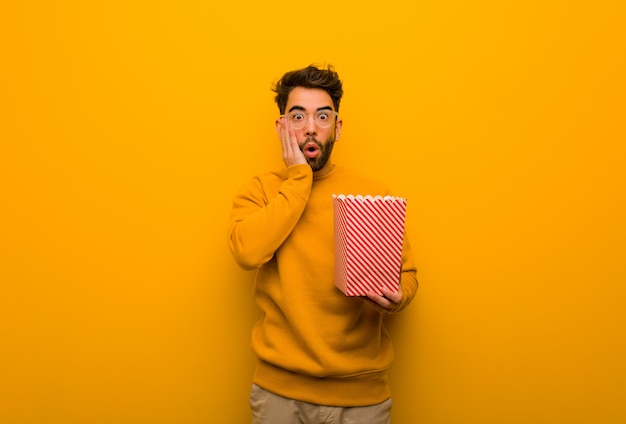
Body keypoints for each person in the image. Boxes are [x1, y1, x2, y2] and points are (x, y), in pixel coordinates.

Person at [228, 64, 418, 424]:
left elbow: (407, 275)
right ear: (281, 126)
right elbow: (247, 252)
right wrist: (298, 178)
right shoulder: (261, 191)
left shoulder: (371, 193)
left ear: (338, 127)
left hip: (362, 399)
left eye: (323, 116)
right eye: (297, 116)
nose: (311, 127)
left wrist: (398, 297)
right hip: (279, 396)